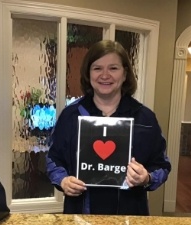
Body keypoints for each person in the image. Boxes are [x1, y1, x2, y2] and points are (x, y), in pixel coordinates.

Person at [46, 40, 171, 215]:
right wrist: (63, 180)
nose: (105, 75)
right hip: (81, 214)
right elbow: (53, 158)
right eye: (97, 68)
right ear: (88, 73)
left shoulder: (145, 117)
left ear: (125, 73)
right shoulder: (71, 116)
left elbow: (162, 165)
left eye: (113, 68)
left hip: (131, 217)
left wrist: (147, 177)